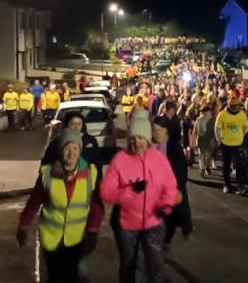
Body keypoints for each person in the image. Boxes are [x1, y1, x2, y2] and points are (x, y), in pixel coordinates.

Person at [17, 129, 104, 283]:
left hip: (77, 239)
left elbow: (96, 205)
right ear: (60, 150)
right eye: (67, 148)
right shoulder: (48, 173)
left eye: (75, 148)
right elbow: (34, 201)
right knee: (55, 277)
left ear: (80, 150)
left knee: (73, 277)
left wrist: (93, 230)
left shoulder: (90, 173)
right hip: (52, 238)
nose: (71, 153)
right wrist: (24, 225)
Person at [101, 117, 179, 283]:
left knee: (156, 266)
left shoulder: (158, 158)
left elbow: (171, 185)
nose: (137, 142)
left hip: (154, 222)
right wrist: (129, 191)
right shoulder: (120, 159)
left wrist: (166, 204)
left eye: (141, 138)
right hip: (128, 226)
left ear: (148, 138)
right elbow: (106, 193)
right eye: (133, 138)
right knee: (129, 266)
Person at [152, 116, 193, 246]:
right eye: (154, 130)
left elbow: (181, 172)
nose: (156, 133)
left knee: (171, 217)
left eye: (160, 130)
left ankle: (166, 239)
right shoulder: (151, 146)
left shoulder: (174, 148)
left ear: (167, 131)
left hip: (170, 190)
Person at [215, 95, 248, 194]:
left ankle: (240, 185)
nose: (236, 108)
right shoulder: (222, 114)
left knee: (239, 166)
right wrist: (219, 140)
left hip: (238, 144)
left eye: (238, 106)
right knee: (226, 165)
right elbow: (217, 128)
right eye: (235, 106)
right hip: (226, 144)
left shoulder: (242, 114)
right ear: (230, 106)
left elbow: (245, 128)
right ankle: (227, 185)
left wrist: (244, 139)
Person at [191, 105, 216, 177]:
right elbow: (195, 131)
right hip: (201, 139)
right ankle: (202, 169)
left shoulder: (213, 119)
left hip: (210, 140)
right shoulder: (199, 120)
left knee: (208, 155)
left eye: (206, 112)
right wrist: (193, 141)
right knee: (202, 155)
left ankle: (207, 167)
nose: (204, 114)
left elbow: (216, 130)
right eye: (203, 113)